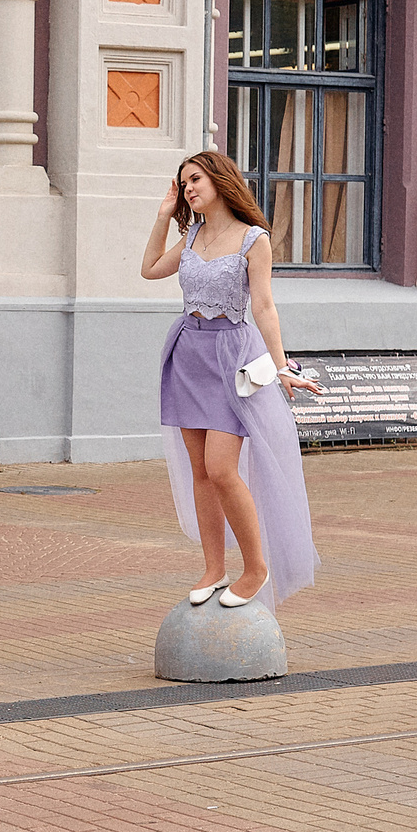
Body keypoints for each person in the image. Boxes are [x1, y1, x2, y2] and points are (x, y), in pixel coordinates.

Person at [140, 150, 321, 610]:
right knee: (201, 472)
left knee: (221, 468)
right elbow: (150, 268)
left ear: (220, 180)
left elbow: (264, 306)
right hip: (187, 354)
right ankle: (213, 568)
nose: (188, 189)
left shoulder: (253, 239)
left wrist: (282, 367)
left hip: (230, 358)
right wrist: (164, 216)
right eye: (183, 183)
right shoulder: (193, 234)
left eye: (195, 179)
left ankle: (256, 568)